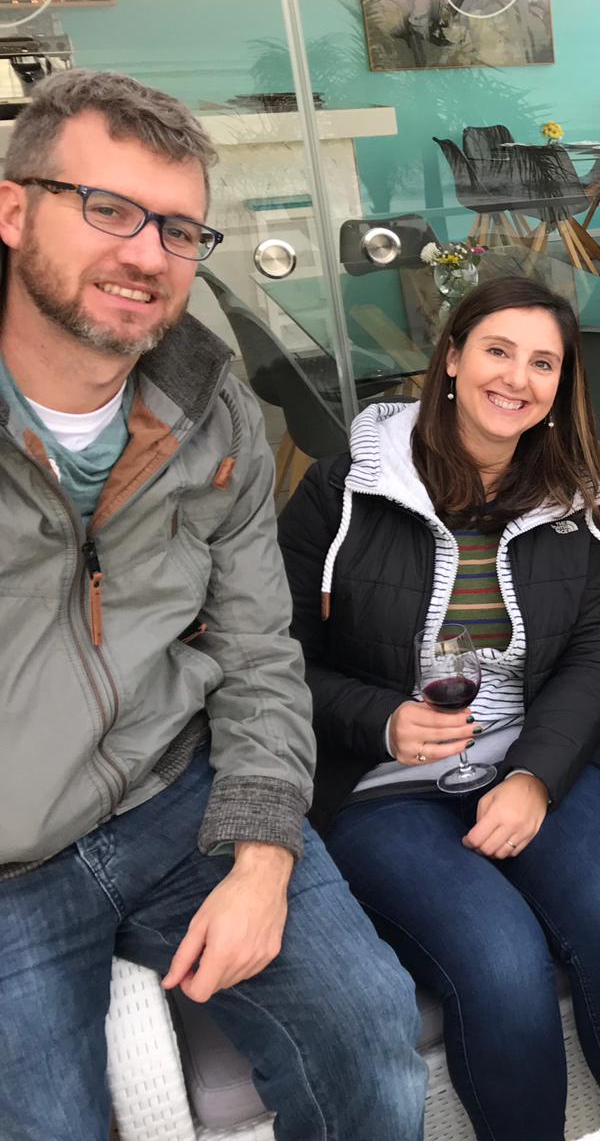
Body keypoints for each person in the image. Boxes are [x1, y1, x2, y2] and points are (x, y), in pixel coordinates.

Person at [0, 70, 426, 1137]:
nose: (147, 255)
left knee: (370, 1031)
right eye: (108, 208)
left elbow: (257, 648)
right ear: (14, 210)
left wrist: (265, 851)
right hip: (10, 862)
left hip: (175, 795)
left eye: (180, 230)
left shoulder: (210, 407)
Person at [277, 276, 600, 1139]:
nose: (517, 379)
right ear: (453, 358)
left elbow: (593, 650)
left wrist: (535, 776)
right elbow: (274, 659)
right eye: (498, 350)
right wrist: (380, 718)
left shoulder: (569, 497)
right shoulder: (347, 488)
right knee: (501, 963)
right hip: (385, 784)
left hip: (534, 760)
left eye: (543, 363)